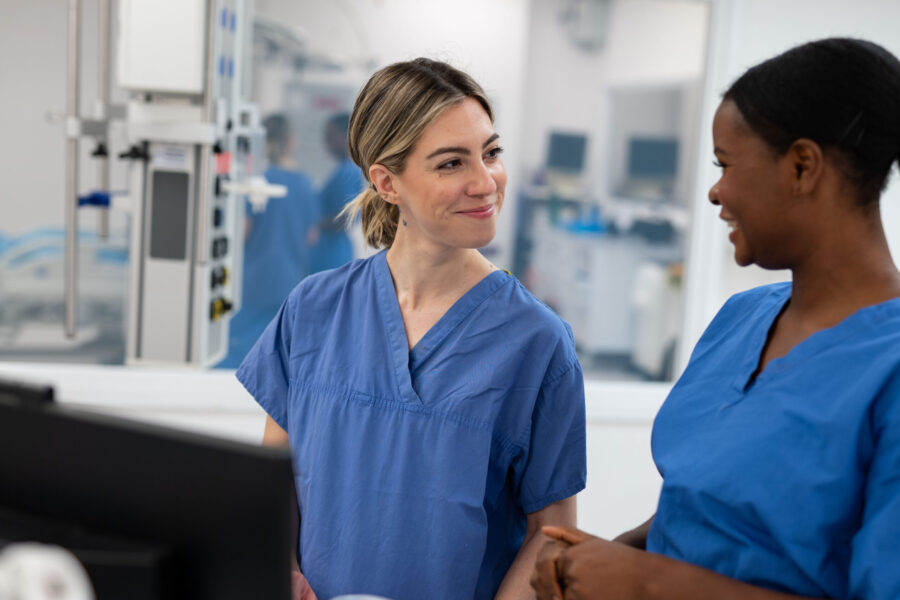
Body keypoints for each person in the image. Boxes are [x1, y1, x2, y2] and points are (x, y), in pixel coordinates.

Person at [531, 37, 900, 600]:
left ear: (802, 166)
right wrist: (600, 558)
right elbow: (704, 507)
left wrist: (645, 582)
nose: (714, 191)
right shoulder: (743, 318)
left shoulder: (887, 366)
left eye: (725, 164)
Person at [236, 58, 586, 600]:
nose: (485, 182)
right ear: (386, 181)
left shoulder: (536, 343)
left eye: (491, 153)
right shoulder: (313, 310)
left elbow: (551, 534)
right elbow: (273, 476)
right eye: (452, 163)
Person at [217, 114, 320, 368]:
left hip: (254, 280)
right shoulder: (304, 183)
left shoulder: (258, 181)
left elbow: (243, 230)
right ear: (291, 141)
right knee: (273, 355)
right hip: (289, 281)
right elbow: (311, 236)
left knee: (234, 350)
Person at [310, 112, 365, 273]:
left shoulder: (348, 171)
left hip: (332, 253)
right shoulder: (344, 170)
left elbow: (346, 218)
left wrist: (313, 224)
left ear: (347, 136)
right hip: (329, 251)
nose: (326, 140)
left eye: (331, 135)